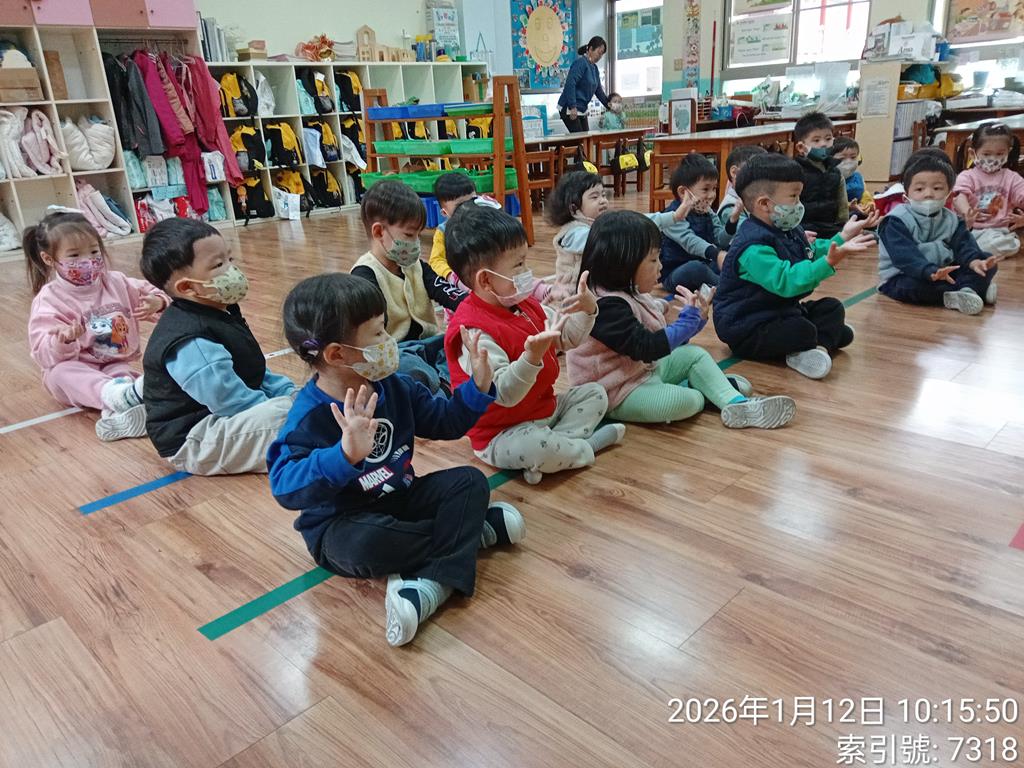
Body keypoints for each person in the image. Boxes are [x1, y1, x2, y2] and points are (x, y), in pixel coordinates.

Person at [268, 273, 524, 647]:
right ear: (337, 354)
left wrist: (478, 387)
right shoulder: (307, 417)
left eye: (385, 328)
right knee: (366, 545)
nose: (389, 341)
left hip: (401, 498)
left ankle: (436, 573)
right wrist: (344, 455)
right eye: (377, 334)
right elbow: (285, 488)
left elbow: (445, 422)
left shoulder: (395, 386)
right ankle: (464, 538)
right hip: (343, 525)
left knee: (469, 481)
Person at [443, 199, 626, 485]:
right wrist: (531, 359)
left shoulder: (523, 304)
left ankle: (557, 449)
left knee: (595, 393)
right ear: (486, 280)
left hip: (543, 411)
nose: (526, 271)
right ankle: (584, 448)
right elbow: (504, 394)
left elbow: (567, 337)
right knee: (533, 445)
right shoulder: (472, 332)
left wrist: (588, 309)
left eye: (525, 261)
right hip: (500, 434)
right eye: (518, 265)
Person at [568, 211, 796, 429]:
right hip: (617, 391)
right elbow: (646, 347)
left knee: (694, 355)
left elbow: (663, 344)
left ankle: (735, 403)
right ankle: (710, 390)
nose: (660, 266)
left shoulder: (631, 292)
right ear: (623, 264)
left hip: (643, 370)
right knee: (683, 402)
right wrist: (686, 323)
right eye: (653, 259)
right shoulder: (603, 306)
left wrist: (696, 320)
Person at [140, 218, 296, 475]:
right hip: (195, 439)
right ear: (187, 287)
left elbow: (252, 371)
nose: (232, 270)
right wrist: (288, 408)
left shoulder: (222, 311)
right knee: (284, 418)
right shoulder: (191, 338)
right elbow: (230, 401)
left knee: (301, 400)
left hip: (223, 417)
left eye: (230, 259)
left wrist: (289, 392)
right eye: (218, 265)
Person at [713, 154, 877, 380]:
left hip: (778, 310)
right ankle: (818, 342)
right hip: (747, 326)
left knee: (832, 308)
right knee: (802, 329)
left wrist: (842, 237)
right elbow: (787, 282)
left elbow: (810, 251)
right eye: (794, 196)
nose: (799, 204)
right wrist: (828, 263)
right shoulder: (751, 247)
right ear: (764, 204)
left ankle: (818, 345)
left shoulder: (786, 228)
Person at [24, 209, 168, 442]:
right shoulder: (49, 299)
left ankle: (118, 411)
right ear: (49, 259)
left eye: (93, 251)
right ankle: (118, 397)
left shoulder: (116, 281)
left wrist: (158, 302)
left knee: (122, 377)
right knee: (60, 373)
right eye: (74, 255)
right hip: (75, 370)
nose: (88, 260)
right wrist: (63, 340)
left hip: (114, 365)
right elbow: (42, 353)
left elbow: (154, 292)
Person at [351, 179, 467, 393]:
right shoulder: (365, 275)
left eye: (417, 235)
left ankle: (442, 386)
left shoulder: (416, 266)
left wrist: (475, 307)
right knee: (410, 370)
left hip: (431, 344)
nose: (415, 242)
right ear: (379, 232)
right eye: (409, 235)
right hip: (397, 352)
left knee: (466, 344)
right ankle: (442, 390)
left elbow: (445, 291)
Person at [878, 154, 998, 314]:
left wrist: (974, 262)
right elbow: (904, 257)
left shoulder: (952, 219)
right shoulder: (895, 220)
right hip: (905, 274)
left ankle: (968, 290)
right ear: (906, 195)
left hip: (945, 271)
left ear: (949, 194)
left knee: (986, 261)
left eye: (937, 188)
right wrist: (930, 271)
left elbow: (964, 245)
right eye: (919, 189)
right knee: (912, 287)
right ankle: (971, 289)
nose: (928, 194)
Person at [548, 169, 690, 289]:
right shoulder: (572, 233)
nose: (603, 200)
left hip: (596, 291)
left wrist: (674, 217)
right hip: (572, 298)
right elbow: (615, 233)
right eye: (594, 197)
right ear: (574, 209)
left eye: (603, 195)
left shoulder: (599, 225)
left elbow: (634, 223)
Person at [659, 153, 735, 293]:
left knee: (734, 252)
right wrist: (716, 254)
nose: (712, 195)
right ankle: (728, 288)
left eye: (714, 189)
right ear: (683, 192)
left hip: (706, 263)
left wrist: (732, 223)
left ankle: (724, 284)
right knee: (695, 269)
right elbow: (691, 242)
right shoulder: (672, 216)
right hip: (676, 273)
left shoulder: (707, 211)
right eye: (705, 189)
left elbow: (720, 240)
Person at [952, 121, 1024, 259]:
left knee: (1010, 243)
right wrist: (967, 212)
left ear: (1008, 152)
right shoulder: (967, 176)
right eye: (986, 154)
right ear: (973, 153)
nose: (993, 159)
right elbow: (959, 196)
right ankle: (974, 252)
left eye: (999, 154)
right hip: (969, 230)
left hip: (998, 232)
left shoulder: (1012, 178)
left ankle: (971, 253)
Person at [792, 111, 848, 238]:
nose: (823, 144)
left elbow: (842, 206)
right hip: (803, 229)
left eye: (828, 139)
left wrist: (845, 226)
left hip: (830, 228)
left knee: (870, 238)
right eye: (816, 140)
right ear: (800, 147)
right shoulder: (795, 171)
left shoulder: (835, 172)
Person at [428, 172, 477, 284]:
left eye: (472, 201)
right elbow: (436, 260)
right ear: (445, 213)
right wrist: (451, 275)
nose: (469, 208)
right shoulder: (443, 232)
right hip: (460, 280)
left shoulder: (485, 222)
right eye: (460, 206)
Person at [557, 36, 610, 133]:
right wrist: (572, 106)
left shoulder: (594, 68)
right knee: (581, 139)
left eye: (602, 54)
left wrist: (609, 106)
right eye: (599, 52)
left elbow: (599, 91)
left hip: (581, 108)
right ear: (590, 49)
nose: (600, 56)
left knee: (586, 138)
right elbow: (570, 83)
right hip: (569, 107)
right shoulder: (581, 63)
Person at [717, 145, 766, 230]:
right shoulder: (730, 208)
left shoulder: (751, 198)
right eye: (757, 171)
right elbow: (751, 232)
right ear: (734, 172)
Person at [830, 137, 874, 216]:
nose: (848, 162)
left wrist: (868, 204)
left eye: (853, 157)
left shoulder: (858, 177)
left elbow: (864, 194)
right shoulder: (827, 179)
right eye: (842, 158)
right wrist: (848, 206)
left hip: (858, 214)